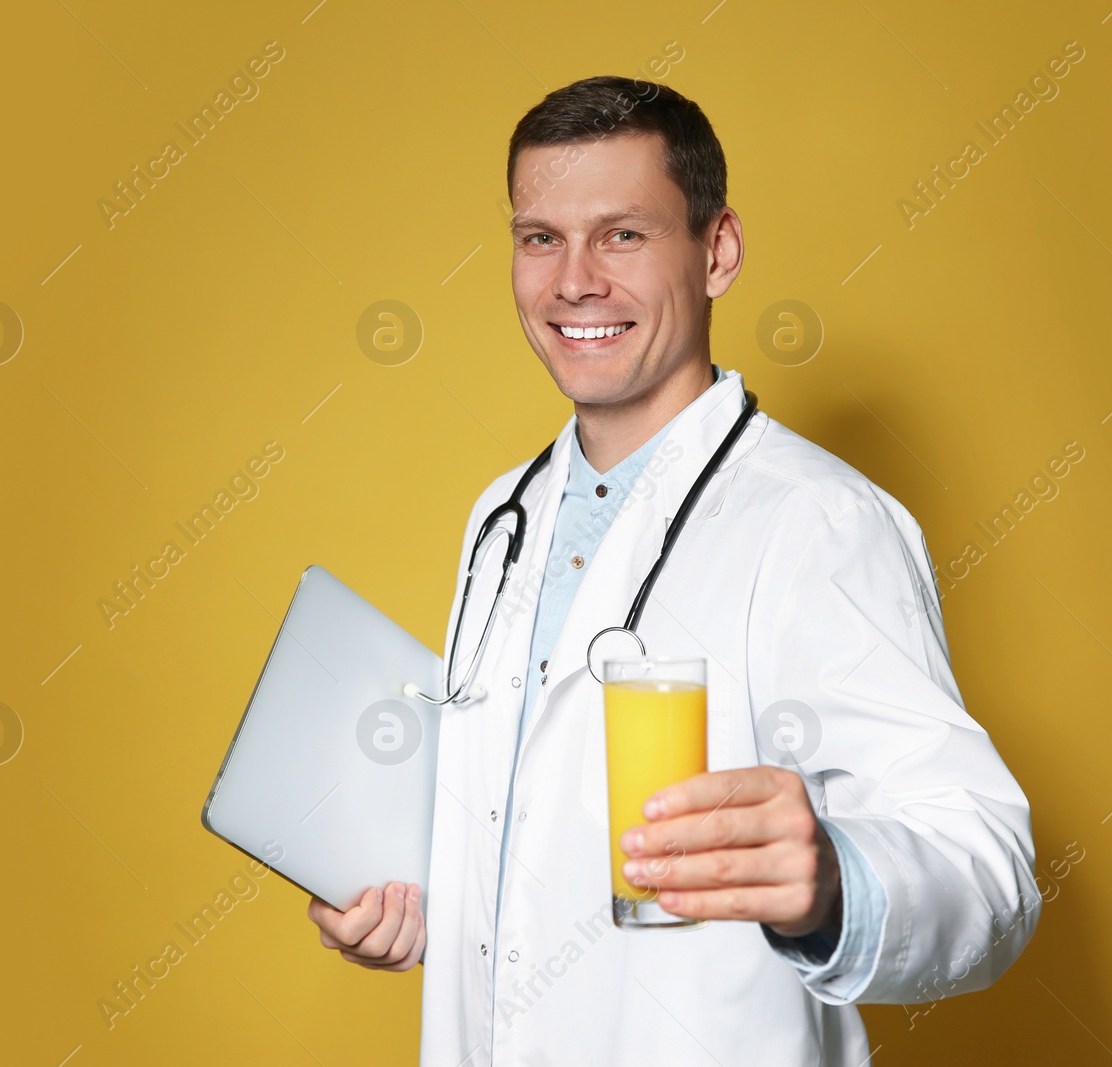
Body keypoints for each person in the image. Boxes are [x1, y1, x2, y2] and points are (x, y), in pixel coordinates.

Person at [308, 74, 1040, 1065]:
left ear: (716, 251)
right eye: (540, 238)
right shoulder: (502, 515)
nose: (574, 281)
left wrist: (834, 884)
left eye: (621, 234)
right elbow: (524, 834)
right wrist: (413, 898)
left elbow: (985, 872)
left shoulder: (816, 521)